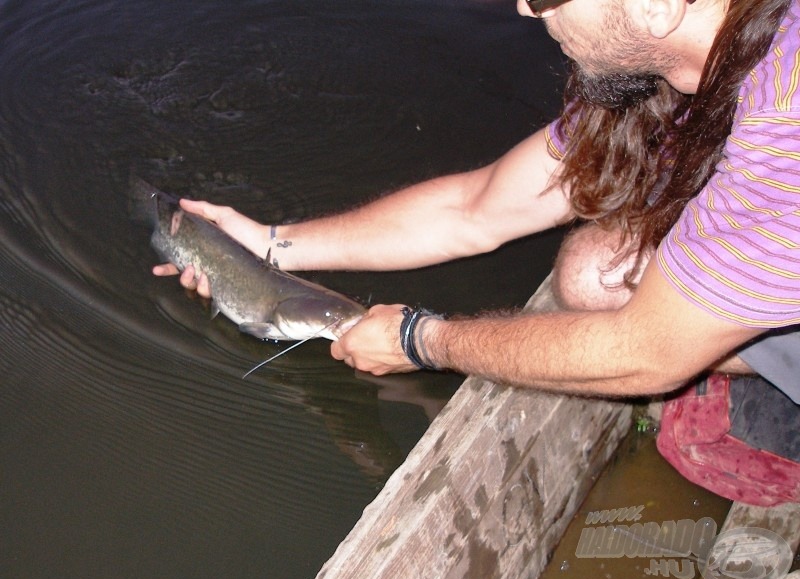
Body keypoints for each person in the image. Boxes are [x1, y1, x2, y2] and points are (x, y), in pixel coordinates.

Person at [154, 0, 800, 505]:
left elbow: (643, 356)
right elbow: (477, 208)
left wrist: (421, 342)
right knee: (596, 271)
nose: (524, 9)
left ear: (657, 4)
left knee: (650, 333)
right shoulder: (675, 76)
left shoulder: (785, 128)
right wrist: (269, 245)